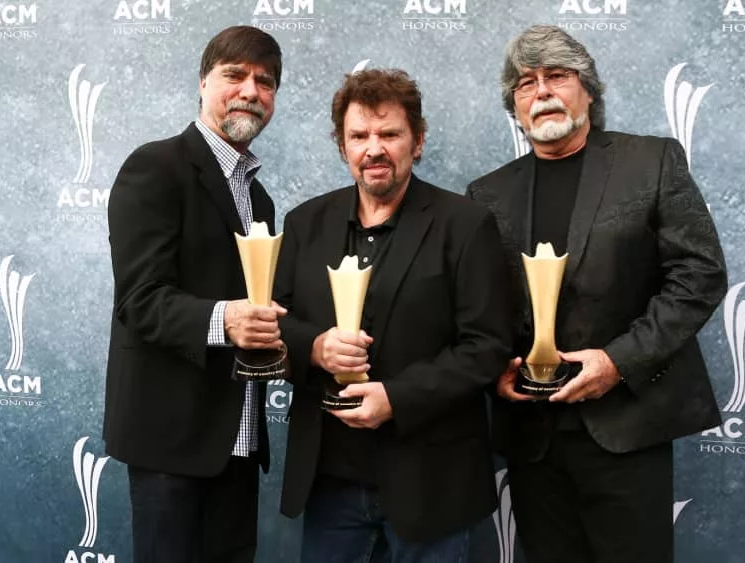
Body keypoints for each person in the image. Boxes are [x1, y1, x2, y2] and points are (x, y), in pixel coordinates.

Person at [467, 25, 728, 563]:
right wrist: (493, 369)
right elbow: (479, 306)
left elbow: (698, 275)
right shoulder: (486, 194)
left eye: (556, 76)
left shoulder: (650, 162)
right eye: (524, 83)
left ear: (588, 89)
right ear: (514, 107)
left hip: (627, 427)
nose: (541, 91)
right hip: (533, 440)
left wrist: (616, 362)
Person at [274, 68, 512, 563]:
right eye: (359, 135)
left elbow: (486, 346)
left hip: (433, 485)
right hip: (329, 487)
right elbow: (276, 324)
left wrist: (396, 399)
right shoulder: (303, 224)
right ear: (343, 146)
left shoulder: (465, 225)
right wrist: (315, 347)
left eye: (389, 134)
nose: (373, 148)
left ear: (418, 141)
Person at [103, 25, 286, 563]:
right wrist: (226, 320)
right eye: (235, 76)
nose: (251, 91)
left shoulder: (262, 201)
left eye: (265, 81)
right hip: (171, 442)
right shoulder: (155, 167)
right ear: (204, 83)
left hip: (240, 441)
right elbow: (139, 300)